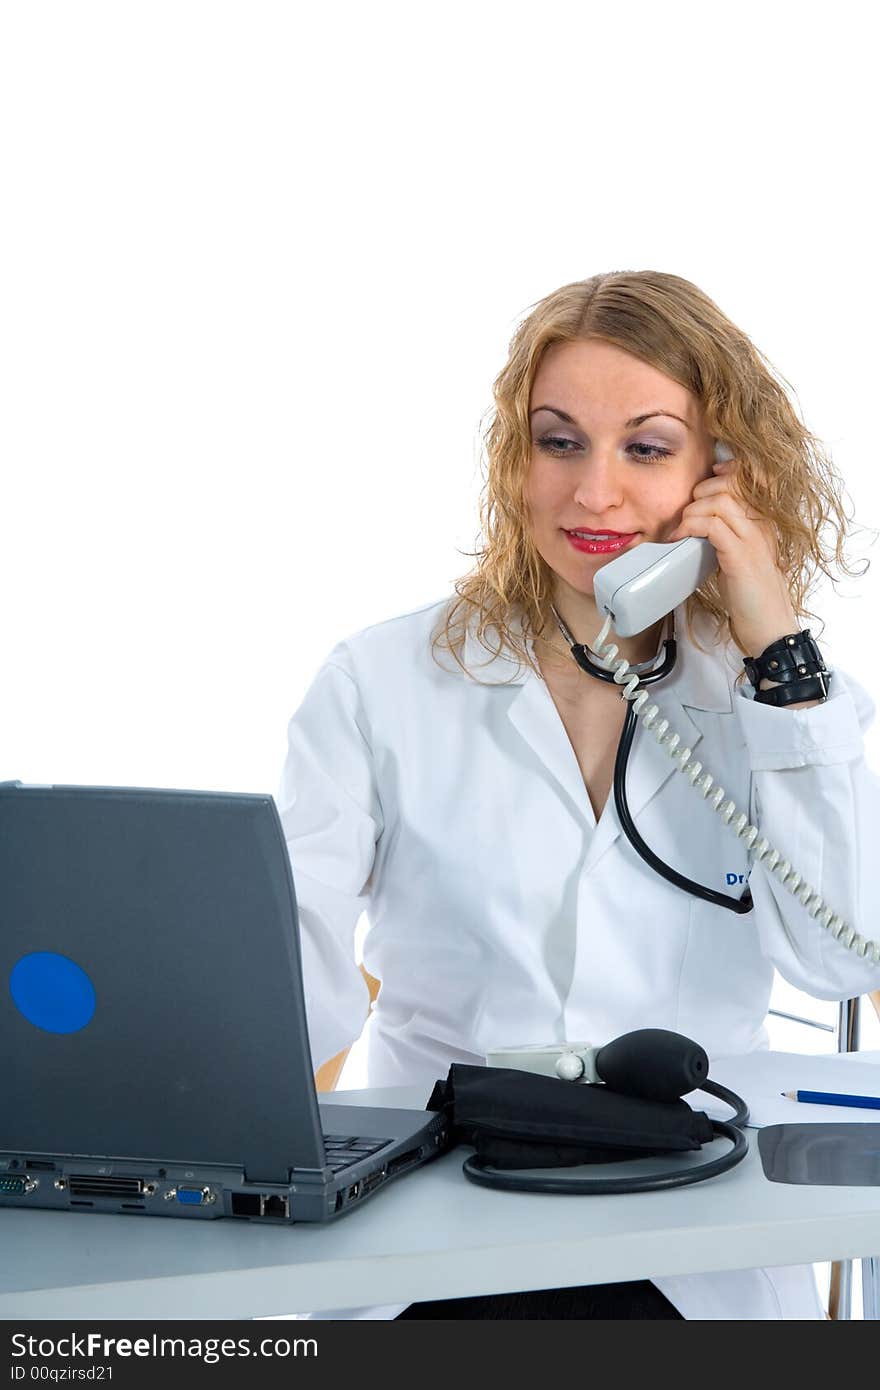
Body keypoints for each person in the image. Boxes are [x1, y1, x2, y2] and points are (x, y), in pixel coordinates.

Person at [276, 270, 880, 1319]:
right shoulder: (381, 678)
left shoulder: (794, 707)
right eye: (559, 441)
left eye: (645, 448)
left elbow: (840, 953)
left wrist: (776, 652)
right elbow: (287, 980)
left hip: (689, 1233)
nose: (593, 493)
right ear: (515, 459)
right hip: (434, 1220)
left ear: (721, 475)